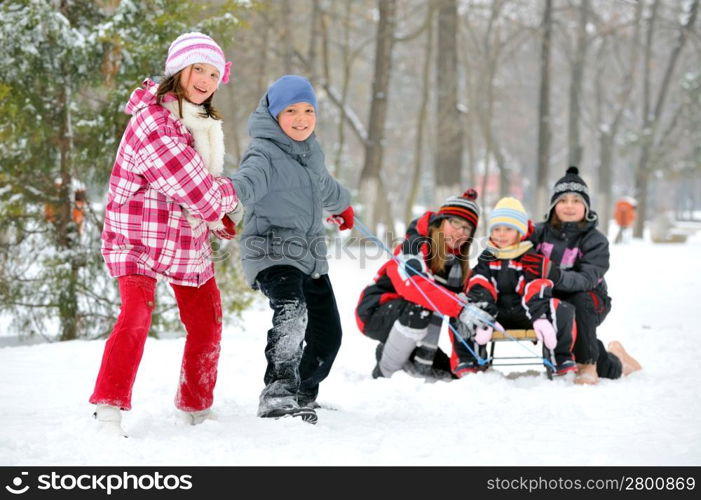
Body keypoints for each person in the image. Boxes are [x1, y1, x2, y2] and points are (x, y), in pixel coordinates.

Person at [89, 33, 239, 437]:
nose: (206, 80)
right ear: (178, 71)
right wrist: (234, 191)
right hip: (137, 238)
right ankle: (108, 408)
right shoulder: (155, 122)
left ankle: (196, 408)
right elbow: (200, 190)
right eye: (198, 70)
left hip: (182, 239)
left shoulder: (197, 122)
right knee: (136, 315)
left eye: (213, 73)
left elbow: (201, 194)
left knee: (207, 322)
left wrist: (217, 213)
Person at [229, 75, 352, 424]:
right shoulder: (263, 152)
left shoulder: (311, 150)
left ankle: (302, 391)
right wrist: (226, 198)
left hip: (309, 255)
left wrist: (343, 205)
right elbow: (247, 182)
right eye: (291, 111)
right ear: (274, 115)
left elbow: (324, 185)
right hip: (271, 250)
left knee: (329, 334)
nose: (302, 118)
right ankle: (278, 394)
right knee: (292, 311)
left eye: (308, 110)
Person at [355, 189, 493, 380]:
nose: (460, 231)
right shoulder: (413, 244)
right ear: (441, 221)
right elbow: (415, 287)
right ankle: (385, 373)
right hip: (376, 310)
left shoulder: (456, 265)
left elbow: (462, 302)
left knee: (448, 375)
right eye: (455, 223)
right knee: (421, 306)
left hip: (416, 322)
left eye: (467, 228)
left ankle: (408, 360)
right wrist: (460, 308)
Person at [529, 166, 642, 385]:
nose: (569, 206)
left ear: (586, 206)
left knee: (577, 301)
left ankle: (588, 364)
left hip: (592, 300)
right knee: (557, 307)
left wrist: (555, 276)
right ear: (553, 205)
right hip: (550, 299)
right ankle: (614, 356)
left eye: (576, 201)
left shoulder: (595, 240)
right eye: (562, 201)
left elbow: (588, 278)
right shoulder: (538, 233)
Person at [458, 197, 577, 377]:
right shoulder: (487, 257)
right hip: (496, 315)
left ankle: (559, 359)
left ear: (520, 232)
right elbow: (480, 284)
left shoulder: (529, 257)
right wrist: (486, 315)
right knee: (463, 307)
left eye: (508, 229)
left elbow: (535, 286)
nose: (501, 234)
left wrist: (539, 315)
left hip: (527, 314)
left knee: (563, 309)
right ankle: (469, 360)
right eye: (497, 229)